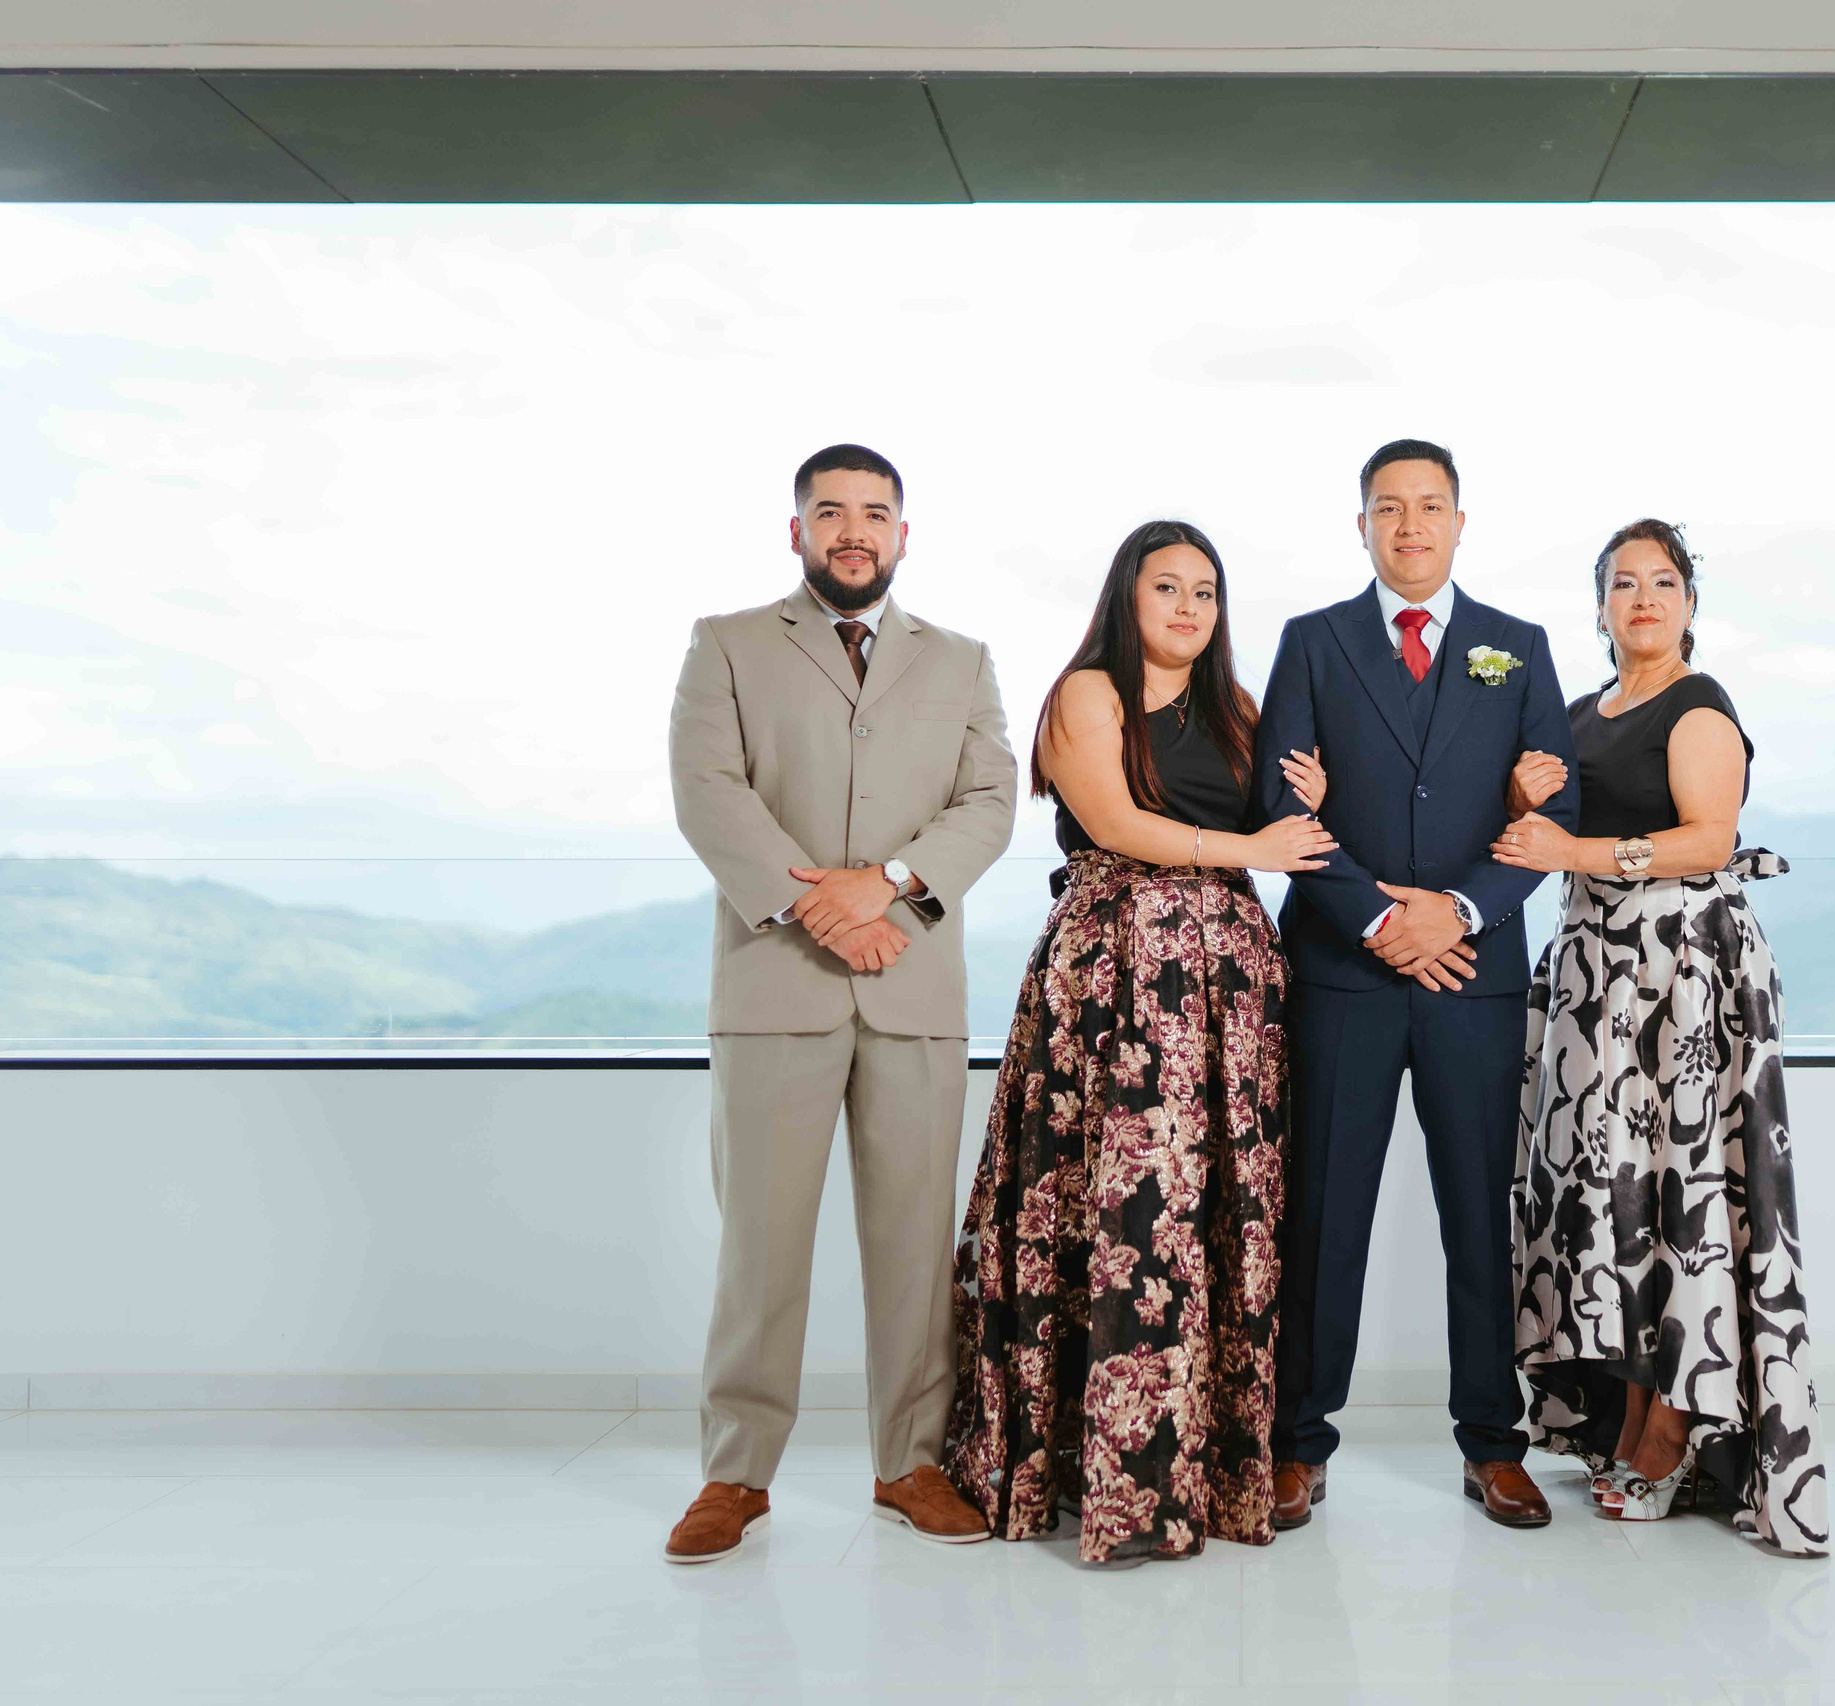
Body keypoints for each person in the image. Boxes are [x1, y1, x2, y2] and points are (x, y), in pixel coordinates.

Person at [946, 519, 1335, 1563]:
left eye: (1206, 592)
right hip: (1118, 979)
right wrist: (1248, 845)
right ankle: (1095, 1471)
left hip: (1229, 996)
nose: (1188, 607)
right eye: (1166, 586)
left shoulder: (1237, 710)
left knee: (1210, 1215)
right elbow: (1114, 822)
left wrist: (1312, 805)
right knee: (1118, 1211)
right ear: (1127, 595)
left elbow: (1293, 823)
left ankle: (1202, 1471)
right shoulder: (1088, 693)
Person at [663, 443, 1017, 1562]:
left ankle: (908, 1460)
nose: (852, 529)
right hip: (776, 987)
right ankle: (735, 1472)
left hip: (912, 990)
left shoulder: (961, 661)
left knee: (916, 1244)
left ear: (904, 535)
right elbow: (708, 794)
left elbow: (990, 800)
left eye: (874, 513)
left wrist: (890, 894)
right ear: (797, 530)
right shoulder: (724, 645)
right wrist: (816, 907)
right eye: (831, 512)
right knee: (758, 1247)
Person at [1255, 439, 1581, 1531]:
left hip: (1473, 977)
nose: (1409, 525)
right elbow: (1282, 808)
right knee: (1323, 1213)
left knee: (1476, 1214)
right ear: (1360, 526)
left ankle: (1493, 1442)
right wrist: (1388, 918)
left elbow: (1555, 820)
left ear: (1458, 521)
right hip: (1343, 973)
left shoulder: (1516, 647)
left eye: (1429, 506)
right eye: (1387, 508)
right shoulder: (1311, 642)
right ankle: (1297, 1443)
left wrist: (1465, 912)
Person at [1495, 517, 1826, 1551]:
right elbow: (1537, 828)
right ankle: (1630, 1402)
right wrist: (1522, 801)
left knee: (1686, 1191)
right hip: (1599, 981)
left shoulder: (1698, 705)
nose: (1644, 597)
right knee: (1612, 1200)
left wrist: (1574, 844)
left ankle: (1674, 1416)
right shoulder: (1585, 713)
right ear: (1598, 605)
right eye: (1623, 582)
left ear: (1690, 601)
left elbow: (1707, 838)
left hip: (1681, 976)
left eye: (1664, 581)